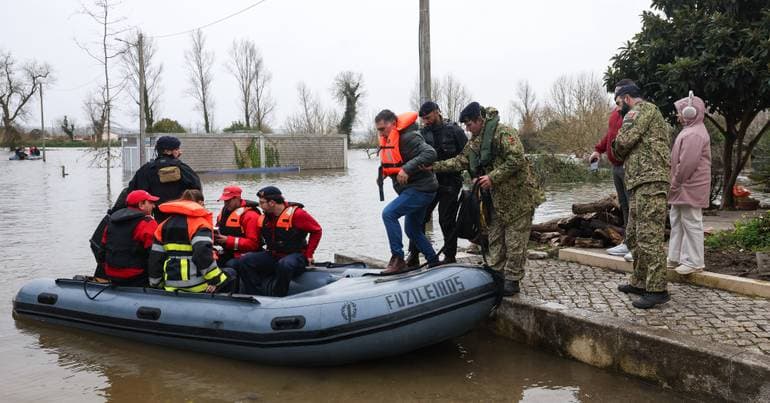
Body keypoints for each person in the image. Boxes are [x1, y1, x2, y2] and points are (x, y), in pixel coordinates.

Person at [431, 102, 545, 296]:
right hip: (497, 200)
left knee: (515, 241)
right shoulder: (475, 141)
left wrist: (492, 177)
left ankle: (512, 279)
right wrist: (434, 166)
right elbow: (460, 161)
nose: (467, 129)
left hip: (520, 197)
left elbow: (516, 159)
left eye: (469, 124)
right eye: (465, 125)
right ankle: (495, 272)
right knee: (495, 238)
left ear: (479, 119)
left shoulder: (504, 133)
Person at [611, 82, 672, 309]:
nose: (618, 109)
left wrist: (616, 142)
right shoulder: (647, 112)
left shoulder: (641, 110)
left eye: (618, 103)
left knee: (649, 235)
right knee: (635, 234)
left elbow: (622, 144)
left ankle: (657, 289)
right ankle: (639, 281)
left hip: (650, 180)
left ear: (626, 98)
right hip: (640, 181)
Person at [405, 101, 468, 267]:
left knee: (446, 219)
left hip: (450, 183)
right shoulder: (422, 134)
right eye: (423, 119)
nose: (426, 121)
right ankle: (413, 255)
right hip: (428, 183)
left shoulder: (455, 131)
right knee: (419, 218)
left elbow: (468, 156)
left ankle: (449, 256)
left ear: (437, 112)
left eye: (428, 117)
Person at [376, 109, 439, 273]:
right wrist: (383, 173)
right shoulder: (388, 139)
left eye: (383, 129)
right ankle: (434, 262)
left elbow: (430, 153)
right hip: (411, 190)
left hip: (422, 189)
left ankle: (398, 259)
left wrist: (407, 169)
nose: (381, 133)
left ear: (393, 124)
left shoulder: (409, 137)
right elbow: (393, 161)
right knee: (412, 229)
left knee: (389, 213)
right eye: (378, 130)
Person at [235, 186, 322, 297]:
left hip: (296, 255)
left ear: (272, 203)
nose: (260, 206)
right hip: (273, 254)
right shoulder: (265, 218)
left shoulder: (297, 214)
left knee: (285, 265)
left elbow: (316, 231)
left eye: (262, 203)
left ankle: (279, 296)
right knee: (245, 260)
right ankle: (256, 295)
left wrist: (309, 254)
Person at [148, 190, 235, 293]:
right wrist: (216, 280)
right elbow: (202, 254)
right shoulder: (200, 224)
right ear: (200, 204)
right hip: (197, 286)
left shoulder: (163, 225)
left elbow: (155, 258)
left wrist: (156, 283)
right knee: (231, 273)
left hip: (170, 285)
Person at [591, 79, 636, 257]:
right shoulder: (615, 113)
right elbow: (610, 134)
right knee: (624, 205)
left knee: (634, 205)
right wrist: (598, 150)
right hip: (616, 166)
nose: (617, 101)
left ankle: (636, 245)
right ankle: (628, 242)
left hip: (628, 165)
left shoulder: (634, 113)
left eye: (619, 97)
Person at [668, 92, 711, 275]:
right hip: (683, 186)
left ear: (690, 112)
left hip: (689, 186)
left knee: (691, 222)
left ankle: (694, 261)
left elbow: (687, 164)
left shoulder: (694, 134)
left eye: (679, 111)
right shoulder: (690, 131)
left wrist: (675, 182)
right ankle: (676, 256)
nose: (677, 115)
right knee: (677, 219)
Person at [127, 135, 201, 222]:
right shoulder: (183, 168)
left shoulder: (145, 170)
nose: (179, 152)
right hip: (182, 217)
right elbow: (197, 189)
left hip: (158, 217)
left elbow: (132, 193)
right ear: (167, 151)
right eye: (176, 149)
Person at [100, 190, 159, 286]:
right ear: (141, 205)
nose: (154, 206)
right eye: (151, 202)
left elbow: (102, 252)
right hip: (137, 276)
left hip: (111, 275)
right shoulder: (147, 223)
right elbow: (154, 255)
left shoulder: (112, 222)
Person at [214, 185, 263, 267]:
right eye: (224, 201)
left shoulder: (250, 215)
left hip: (246, 254)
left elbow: (254, 244)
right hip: (228, 252)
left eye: (228, 201)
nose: (226, 203)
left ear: (237, 198)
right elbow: (217, 229)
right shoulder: (223, 213)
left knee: (231, 264)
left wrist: (228, 240)